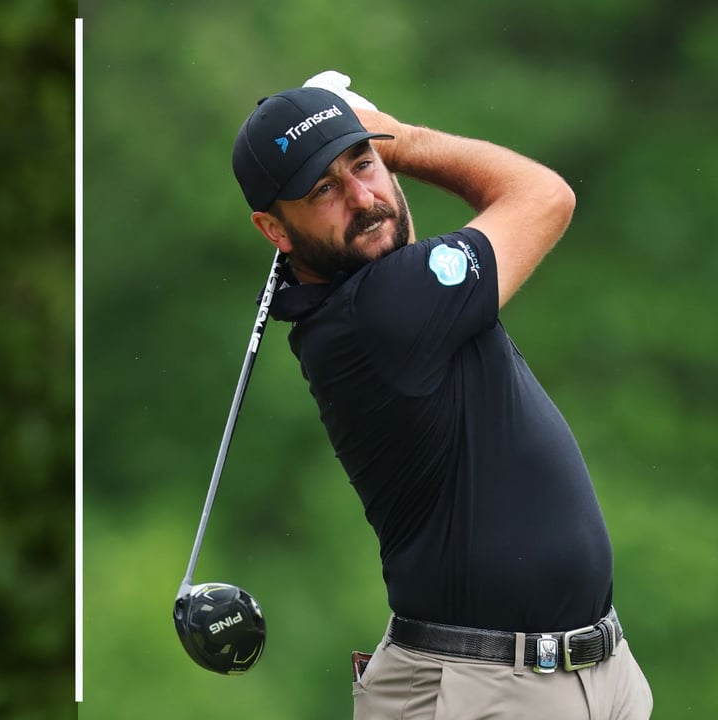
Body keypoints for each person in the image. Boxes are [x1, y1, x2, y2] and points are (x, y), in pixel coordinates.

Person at [230, 74, 652, 718]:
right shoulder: (383, 311)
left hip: (578, 672)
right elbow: (544, 196)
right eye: (324, 190)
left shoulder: (368, 299)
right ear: (275, 230)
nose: (363, 197)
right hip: (490, 690)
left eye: (364, 163)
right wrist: (401, 137)